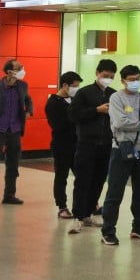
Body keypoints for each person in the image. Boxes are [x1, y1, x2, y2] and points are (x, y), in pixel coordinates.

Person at [100, 65, 140, 246]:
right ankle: (108, 230)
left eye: (137, 78)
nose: (135, 82)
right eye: (131, 79)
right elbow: (119, 122)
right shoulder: (116, 97)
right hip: (121, 148)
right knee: (115, 191)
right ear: (123, 81)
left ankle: (139, 227)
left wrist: (136, 123)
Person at [67, 59, 117, 233]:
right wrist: (96, 110)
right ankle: (77, 216)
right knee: (82, 180)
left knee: (98, 180)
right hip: (86, 143)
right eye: (105, 75)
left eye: (111, 76)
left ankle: (88, 213)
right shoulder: (84, 93)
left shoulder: (114, 94)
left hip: (106, 145)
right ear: (97, 73)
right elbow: (73, 115)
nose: (108, 79)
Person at [0, 59, 34, 208]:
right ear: (9, 72)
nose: (23, 69)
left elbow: (28, 99)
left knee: (13, 165)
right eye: (19, 67)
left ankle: (9, 195)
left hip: (15, 130)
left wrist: (29, 110)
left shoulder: (22, 85)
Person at [46, 71, 82, 218]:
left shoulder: (75, 100)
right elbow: (58, 124)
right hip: (62, 145)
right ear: (65, 85)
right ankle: (62, 206)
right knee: (62, 176)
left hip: (78, 144)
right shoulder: (53, 102)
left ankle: (87, 203)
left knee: (82, 175)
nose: (76, 89)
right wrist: (75, 118)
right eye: (75, 86)